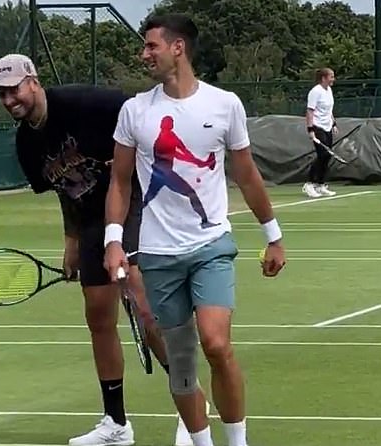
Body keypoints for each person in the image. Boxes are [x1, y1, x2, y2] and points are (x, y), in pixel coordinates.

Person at [0, 53, 195, 446]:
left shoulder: (85, 103)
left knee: (146, 309)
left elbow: (141, 113)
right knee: (99, 318)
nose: (9, 100)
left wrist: (136, 159)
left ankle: (190, 409)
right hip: (91, 224)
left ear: (33, 81)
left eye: (13, 89)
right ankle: (116, 424)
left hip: (134, 205)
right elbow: (63, 191)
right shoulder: (26, 144)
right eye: (1, 94)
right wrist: (71, 243)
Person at [102, 14, 286, 446]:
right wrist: (114, 242)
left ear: (177, 47)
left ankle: (237, 442)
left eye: (151, 46)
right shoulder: (135, 111)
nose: (144, 54)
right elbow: (120, 181)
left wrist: (273, 234)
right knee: (182, 362)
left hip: (211, 247)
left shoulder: (225, 104)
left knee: (216, 344)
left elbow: (246, 173)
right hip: (157, 255)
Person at [303, 67, 338, 198]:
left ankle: (321, 185)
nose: (333, 79)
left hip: (328, 126)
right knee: (322, 154)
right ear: (324, 78)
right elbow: (310, 111)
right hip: (317, 127)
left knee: (327, 156)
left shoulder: (329, 90)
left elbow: (329, 110)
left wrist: (333, 123)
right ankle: (309, 184)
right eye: (331, 77)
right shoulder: (315, 92)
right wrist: (310, 129)